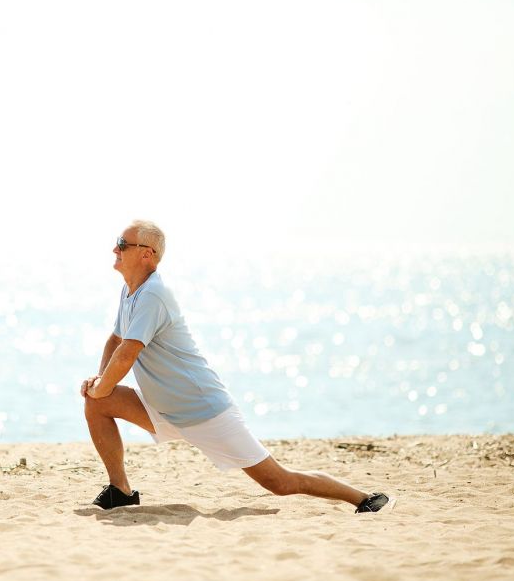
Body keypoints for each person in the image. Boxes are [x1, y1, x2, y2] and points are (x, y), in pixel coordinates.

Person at [81, 220, 388, 513]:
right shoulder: (131, 291)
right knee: (97, 404)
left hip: (204, 411)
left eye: (122, 244)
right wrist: (98, 383)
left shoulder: (154, 296)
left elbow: (127, 355)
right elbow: (116, 340)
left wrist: (101, 387)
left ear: (147, 254)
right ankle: (119, 491)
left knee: (279, 482)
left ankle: (363, 498)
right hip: (162, 408)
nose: (114, 250)